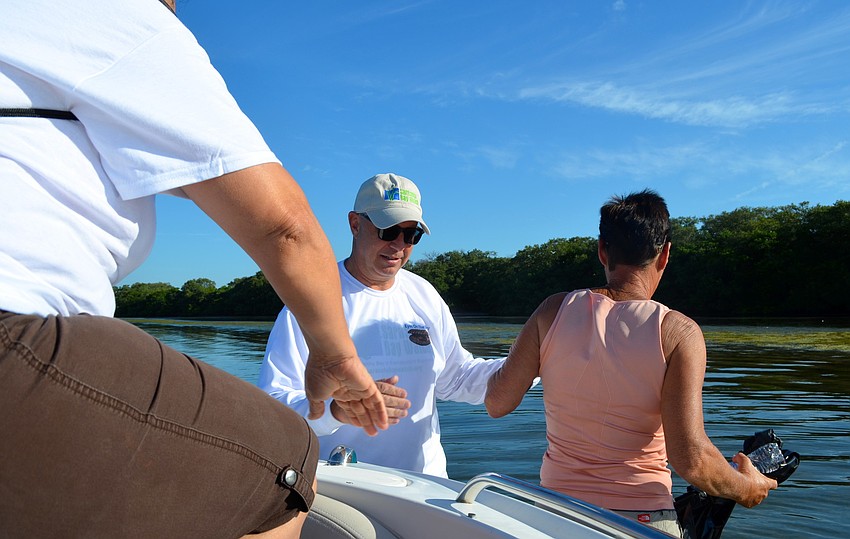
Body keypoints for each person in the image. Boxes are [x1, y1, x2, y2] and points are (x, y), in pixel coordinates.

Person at [0, 1, 388, 537]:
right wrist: (336, 354)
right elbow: (285, 227)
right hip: (14, 336)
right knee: (289, 455)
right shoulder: (117, 16)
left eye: (410, 233)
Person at [484, 189, 777, 537]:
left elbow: (497, 402)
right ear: (665, 254)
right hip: (640, 519)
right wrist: (749, 487)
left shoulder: (551, 312)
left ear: (602, 250)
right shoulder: (678, 333)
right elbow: (693, 460)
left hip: (555, 512)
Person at [259, 173, 505, 478]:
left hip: (425, 487)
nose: (399, 245)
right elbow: (273, 406)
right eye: (388, 230)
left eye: (411, 234)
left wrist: (531, 358)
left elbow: (455, 378)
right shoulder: (312, 300)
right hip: (342, 487)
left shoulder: (424, 294)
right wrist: (337, 410)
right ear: (355, 224)